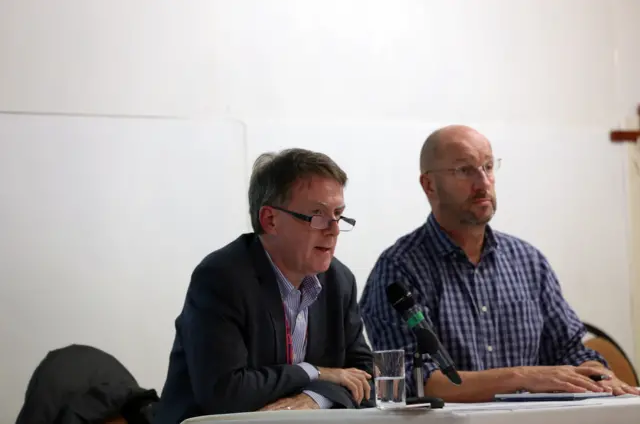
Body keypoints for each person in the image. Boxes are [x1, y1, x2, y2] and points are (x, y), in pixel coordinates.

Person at [359, 125, 640, 403]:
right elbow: (409, 380)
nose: (483, 183)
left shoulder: (528, 261)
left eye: (489, 167)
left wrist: (596, 372)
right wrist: (521, 377)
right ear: (429, 184)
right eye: (464, 170)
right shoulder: (398, 269)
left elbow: (569, 349)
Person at [154, 148, 374, 423]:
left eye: (338, 214)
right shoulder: (221, 277)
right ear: (270, 220)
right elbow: (225, 393)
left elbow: (366, 377)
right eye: (317, 215)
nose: (333, 229)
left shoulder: (339, 281)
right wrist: (315, 371)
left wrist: (316, 398)